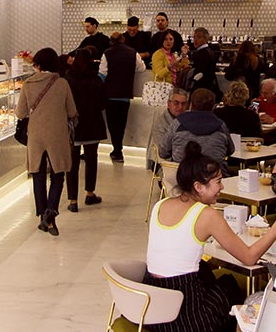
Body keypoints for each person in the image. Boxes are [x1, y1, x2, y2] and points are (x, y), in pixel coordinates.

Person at [145, 142, 276, 332]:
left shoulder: (160, 205)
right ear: (198, 186)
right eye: (218, 181)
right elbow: (249, 257)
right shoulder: (206, 214)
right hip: (185, 317)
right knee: (229, 285)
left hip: (151, 307)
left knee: (207, 273)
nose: (222, 186)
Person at [15, 48, 77, 236]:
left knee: (38, 174)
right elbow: (72, 111)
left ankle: (43, 213)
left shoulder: (27, 84)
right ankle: (51, 212)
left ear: (39, 65)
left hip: (35, 134)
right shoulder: (62, 84)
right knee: (58, 174)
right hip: (57, 134)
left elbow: (20, 113)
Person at [64, 48, 106, 213]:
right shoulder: (96, 79)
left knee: (72, 164)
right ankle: (90, 193)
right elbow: (103, 103)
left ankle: (73, 200)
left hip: (74, 126)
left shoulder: (69, 79)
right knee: (91, 160)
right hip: (93, 125)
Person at [160, 88, 234, 172]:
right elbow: (231, 150)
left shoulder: (177, 123)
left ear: (191, 105)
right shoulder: (221, 126)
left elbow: (163, 152)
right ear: (213, 106)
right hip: (213, 177)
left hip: (182, 177)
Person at [99, 32, 146, 163]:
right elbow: (142, 68)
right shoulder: (133, 53)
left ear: (111, 41)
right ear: (123, 40)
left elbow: (102, 74)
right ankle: (118, 151)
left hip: (110, 95)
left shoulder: (107, 53)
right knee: (121, 124)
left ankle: (117, 150)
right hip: (125, 95)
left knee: (112, 125)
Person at [147, 87, 189, 170]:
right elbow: (163, 151)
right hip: (166, 163)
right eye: (176, 103)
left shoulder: (189, 118)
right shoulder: (160, 122)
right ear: (169, 103)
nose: (180, 107)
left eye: (183, 104)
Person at [188, 27, 221, 100]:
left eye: (199, 37)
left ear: (206, 39)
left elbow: (200, 72)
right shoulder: (209, 51)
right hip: (208, 87)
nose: (195, 40)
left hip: (201, 88)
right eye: (194, 37)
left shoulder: (202, 53)